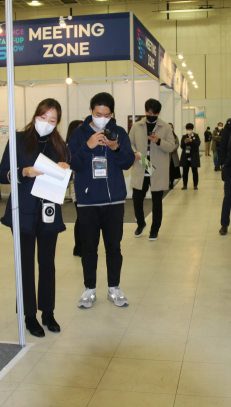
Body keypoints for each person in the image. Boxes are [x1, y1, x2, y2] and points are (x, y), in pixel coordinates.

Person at [0, 99, 70, 338]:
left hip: (48, 212)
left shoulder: (59, 143)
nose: (47, 124)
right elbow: (2, 174)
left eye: (52, 120)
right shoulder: (18, 140)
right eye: (43, 118)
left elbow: (67, 174)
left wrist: (64, 167)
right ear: (35, 116)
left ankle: (47, 312)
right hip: (24, 211)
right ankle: (29, 315)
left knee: (47, 264)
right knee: (25, 265)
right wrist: (23, 172)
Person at [68, 92, 135, 309]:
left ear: (112, 114)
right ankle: (89, 289)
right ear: (91, 112)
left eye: (106, 115)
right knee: (89, 248)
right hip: (87, 201)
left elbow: (127, 163)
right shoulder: (79, 134)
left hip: (114, 201)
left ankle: (114, 288)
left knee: (114, 247)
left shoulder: (120, 133)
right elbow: (73, 163)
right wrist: (88, 146)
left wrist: (115, 148)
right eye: (98, 114)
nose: (102, 118)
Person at [130, 99, 175, 240]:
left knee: (157, 201)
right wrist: (134, 153)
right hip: (142, 165)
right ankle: (141, 223)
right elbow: (129, 143)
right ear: (145, 111)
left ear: (158, 113)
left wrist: (158, 141)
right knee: (137, 198)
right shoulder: (137, 126)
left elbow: (172, 147)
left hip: (158, 168)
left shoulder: (165, 127)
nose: (152, 115)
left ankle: (155, 229)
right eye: (149, 112)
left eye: (154, 113)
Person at [66, 120, 84, 257]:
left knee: (83, 218)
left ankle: (80, 246)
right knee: (81, 217)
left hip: (84, 185)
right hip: (76, 186)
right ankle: (78, 247)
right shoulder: (68, 147)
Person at [180, 123, 201, 190]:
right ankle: (185, 185)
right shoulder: (184, 136)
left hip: (194, 156)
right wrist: (185, 142)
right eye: (188, 129)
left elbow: (198, 144)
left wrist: (192, 140)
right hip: (186, 156)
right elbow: (182, 146)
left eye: (190, 129)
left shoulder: (196, 136)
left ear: (192, 129)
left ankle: (195, 185)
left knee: (194, 171)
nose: (189, 130)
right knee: (185, 171)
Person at [168, 123, 181, 189]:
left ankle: (171, 182)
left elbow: (177, 143)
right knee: (167, 170)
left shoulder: (175, 136)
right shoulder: (165, 135)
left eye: (171, 127)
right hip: (167, 155)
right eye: (169, 127)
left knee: (173, 169)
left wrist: (174, 148)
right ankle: (167, 182)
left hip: (174, 155)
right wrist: (169, 148)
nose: (170, 128)